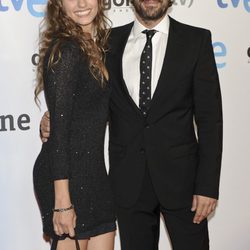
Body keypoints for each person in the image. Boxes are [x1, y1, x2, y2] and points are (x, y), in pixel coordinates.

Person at [41, 0, 223, 249]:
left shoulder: (196, 40)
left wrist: (208, 186)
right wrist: (53, 118)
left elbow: (210, 121)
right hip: (127, 187)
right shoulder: (106, 43)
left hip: (184, 187)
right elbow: (85, 97)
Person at [33, 0, 116, 250]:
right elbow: (59, 133)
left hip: (93, 174)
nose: (81, 4)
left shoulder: (98, 44)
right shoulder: (66, 50)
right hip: (66, 178)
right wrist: (62, 203)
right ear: (58, 4)